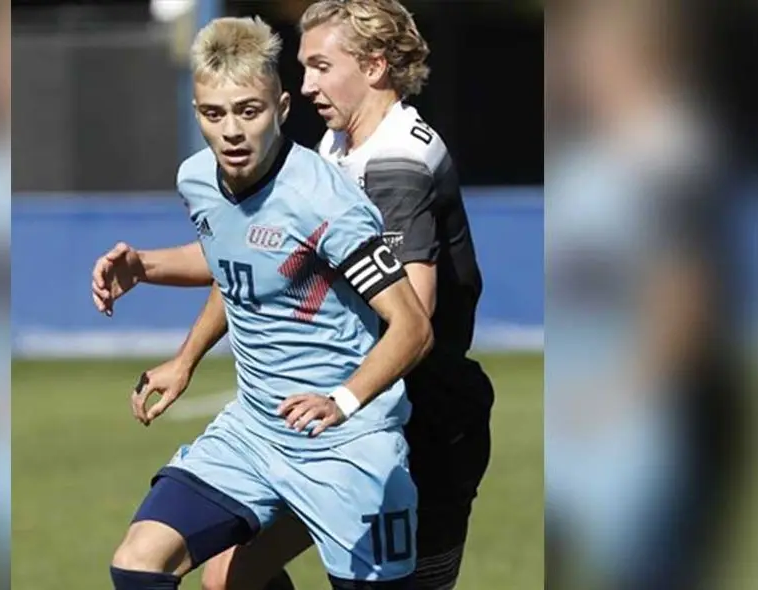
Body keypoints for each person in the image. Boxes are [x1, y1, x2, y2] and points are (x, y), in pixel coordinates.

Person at [93, 2, 494, 589]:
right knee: (213, 577)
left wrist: (345, 399)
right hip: (289, 423)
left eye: (320, 66)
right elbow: (255, 262)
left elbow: (413, 317)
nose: (307, 85)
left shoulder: (391, 168)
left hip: (415, 423)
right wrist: (165, 303)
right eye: (213, 113)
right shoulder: (336, 149)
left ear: (375, 66)